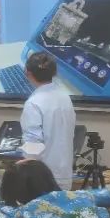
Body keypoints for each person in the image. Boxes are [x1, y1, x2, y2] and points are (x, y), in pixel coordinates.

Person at [20, 51, 77, 190]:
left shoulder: (34, 103)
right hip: (64, 172)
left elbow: (33, 144)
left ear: (28, 73)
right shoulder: (65, 97)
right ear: (54, 73)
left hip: (42, 177)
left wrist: (24, 167)